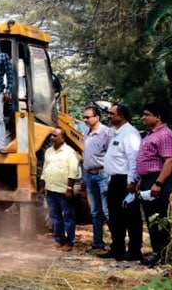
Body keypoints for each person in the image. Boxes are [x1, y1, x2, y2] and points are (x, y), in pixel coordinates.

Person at [135, 101, 172, 267]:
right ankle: (157, 254)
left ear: (158, 117)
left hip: (158, 179)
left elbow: (169, 161)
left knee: (159, 218)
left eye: (147, 114)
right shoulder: (150, 134)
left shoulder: (165, 134)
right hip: (148, 180)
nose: (144, 117)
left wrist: (158, 183)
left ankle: (164, 256)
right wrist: (141, 180)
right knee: (151, 218)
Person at [100, 103, 143, 261]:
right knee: (116, 216)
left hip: (126, 180)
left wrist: (132, 181)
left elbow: (134, 159)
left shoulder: (130, 134)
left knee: (131, 218)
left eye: (112, 113)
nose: (109, 116)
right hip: (115, 180)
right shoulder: (117, 133)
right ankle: (117, 248)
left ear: (121, 116)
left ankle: (134, 251)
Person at [39, 128, 81, 251]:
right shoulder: (48, 152)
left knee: (68, 216)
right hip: (51, 189)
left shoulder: (70, 152)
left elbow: (73, 172)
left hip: (63, 190)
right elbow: (45, 170)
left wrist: (69, 188)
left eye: (55, 136)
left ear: (63, 138)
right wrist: (43, 186)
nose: (52, 138)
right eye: (51, 136)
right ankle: (59, 240)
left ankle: (70, 242)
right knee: (55, 216)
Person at [81, 104, 112, 253]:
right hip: (90, 175)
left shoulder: (107, 133)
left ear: (97, 117)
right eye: (84, 117)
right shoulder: (86, 133)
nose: (85, 119)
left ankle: (117, 243)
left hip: (103, 175)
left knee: (107, 211)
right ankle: (98, 243)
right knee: (95, 212)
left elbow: (112, 154)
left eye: (88, 117)